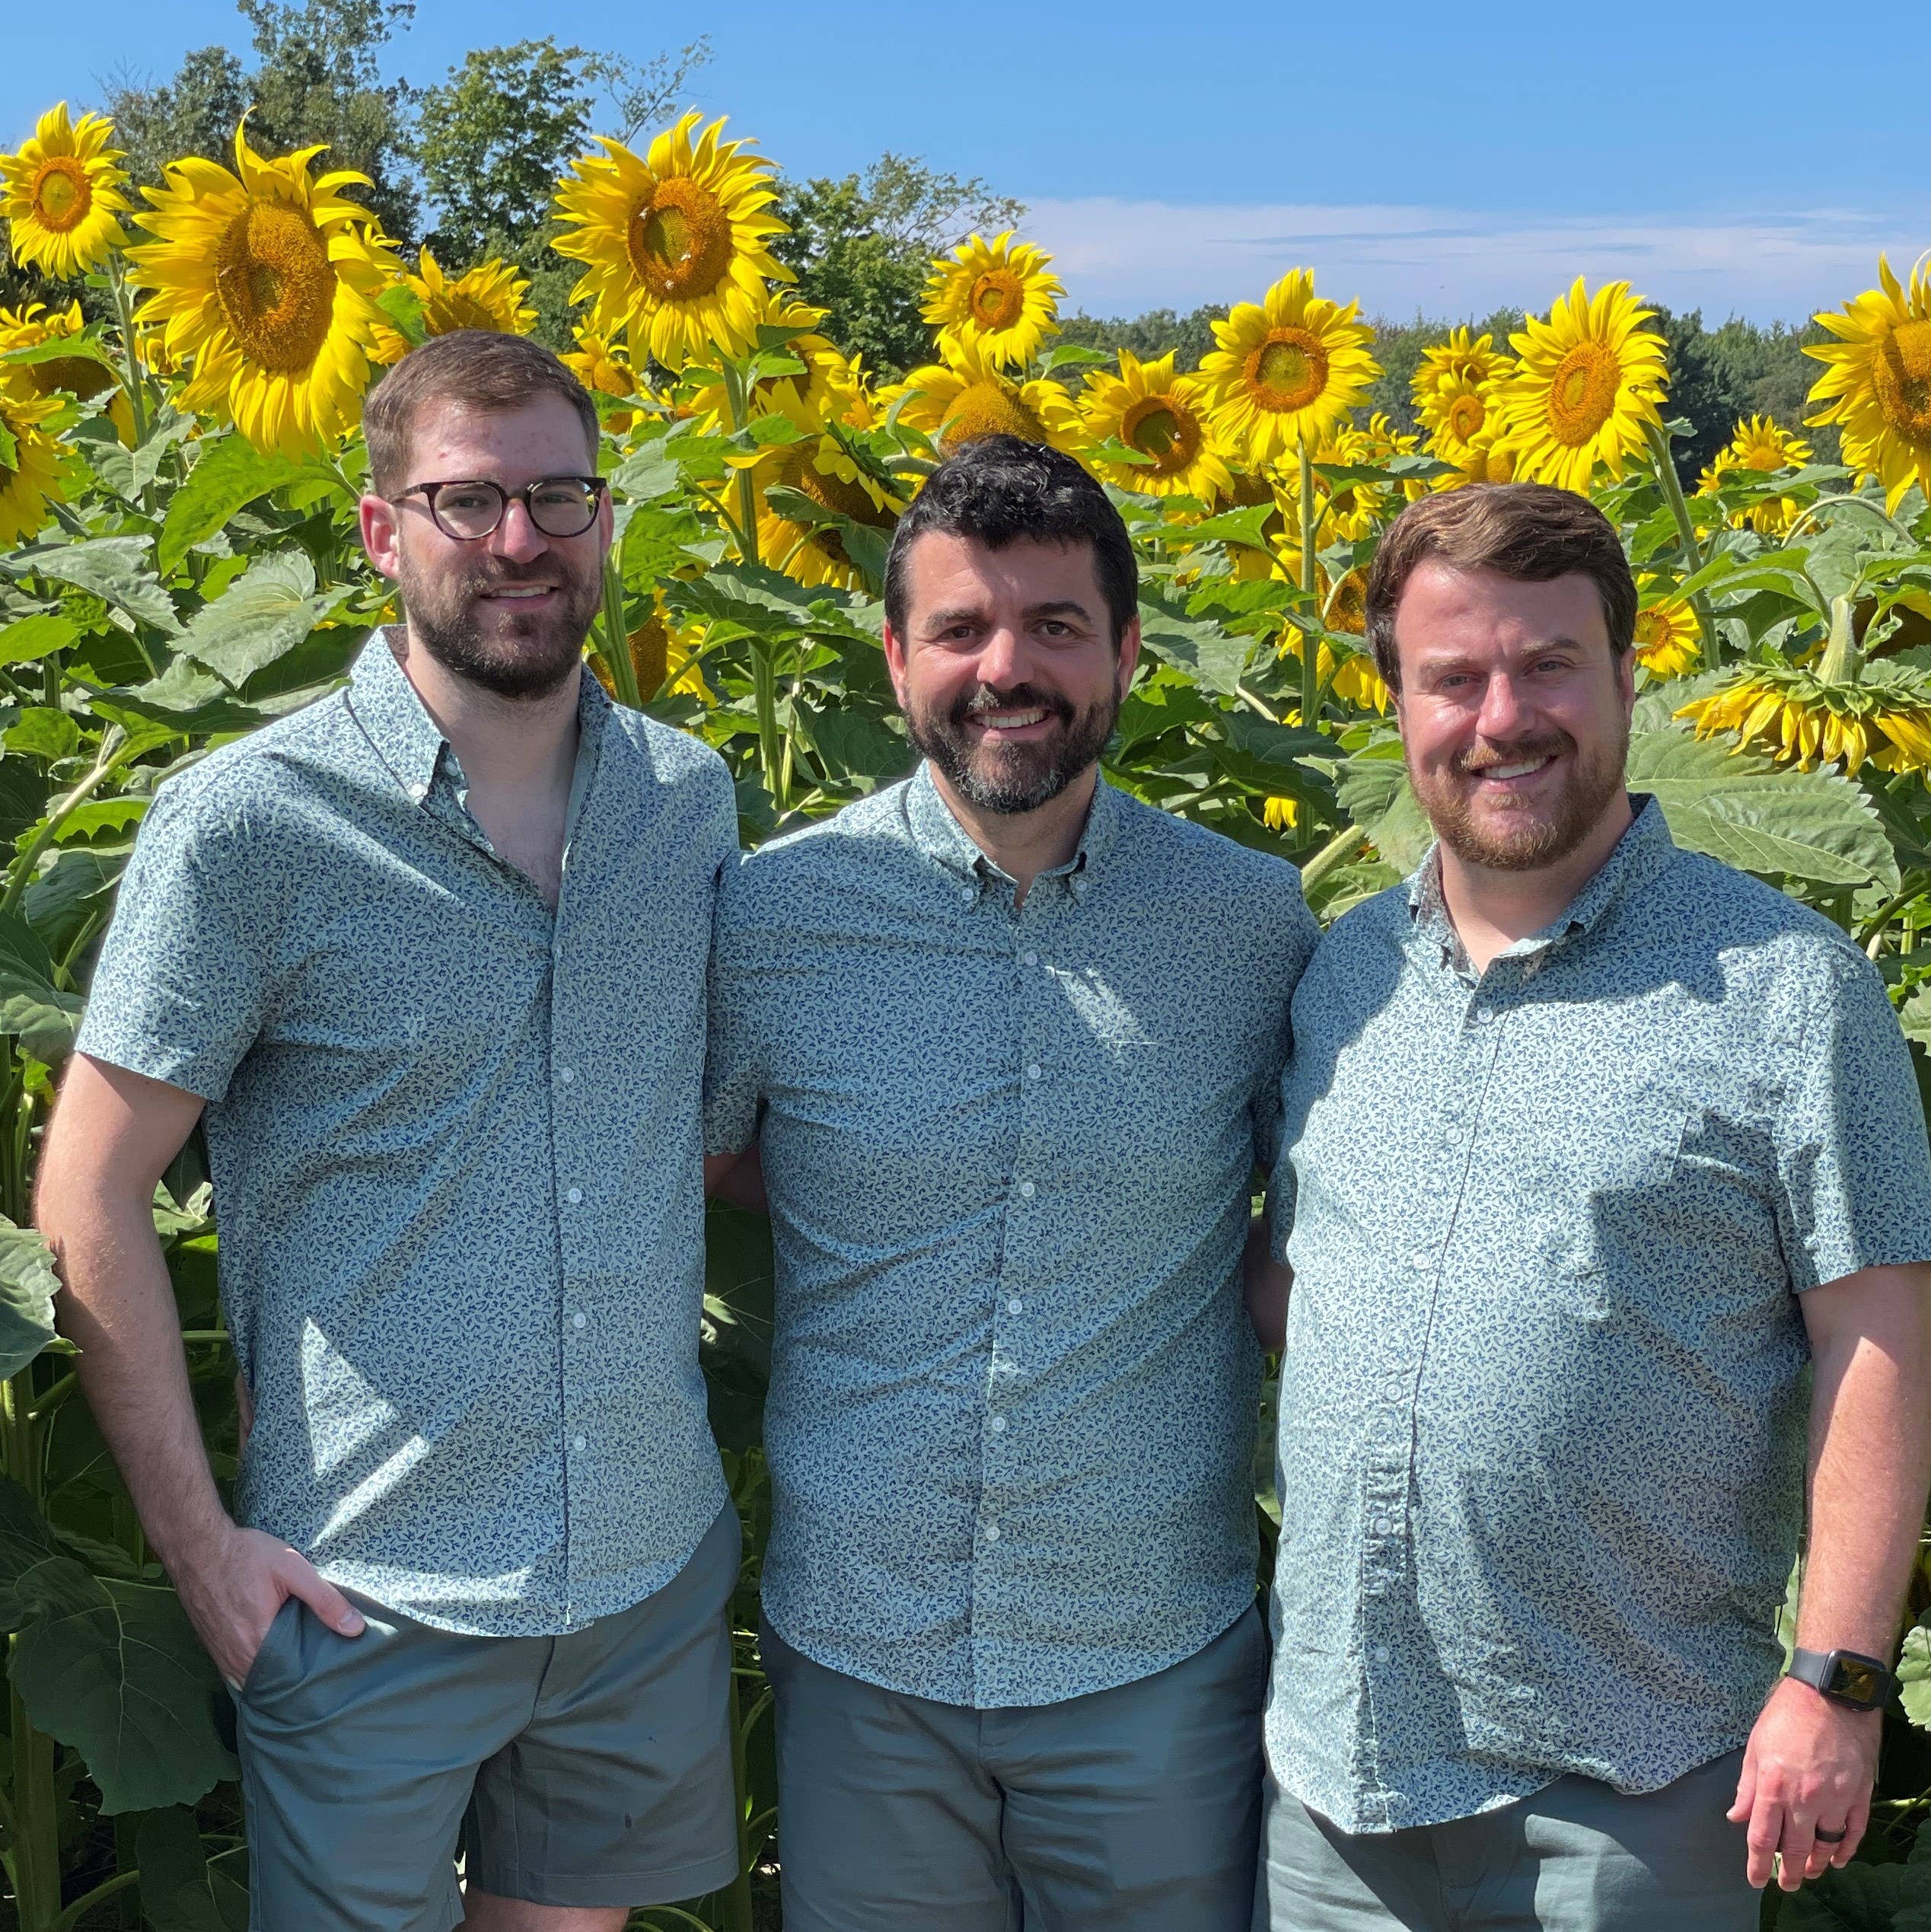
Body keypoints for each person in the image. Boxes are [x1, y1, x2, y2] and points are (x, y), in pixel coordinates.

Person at [36, 330, 744, 1932]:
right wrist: (201, 1552)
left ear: (605, 524)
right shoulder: (249, 823)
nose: (518, 545)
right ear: (378, 531)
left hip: (638, 1566)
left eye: (558, 500)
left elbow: (685, 1130)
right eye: (466, 500)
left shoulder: (688, 802)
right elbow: (90, 1186)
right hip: (368, 1594)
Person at [1251, 481, 1931, 1931]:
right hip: (1334, 1786)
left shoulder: (1788, 988)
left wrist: (1836, 1680)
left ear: (1628, 674)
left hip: (1631, 1789)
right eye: (1453, 677)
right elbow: (1294, 1278)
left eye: (1548, 663)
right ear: (1396, 704)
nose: (1503, 717)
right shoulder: (1338, 973)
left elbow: (1880, 1345)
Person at [703, 433, 1317, 1928]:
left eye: (1054, 627)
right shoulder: (774, 916)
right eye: (965, 628)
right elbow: (712, 1159)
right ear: (898, 654)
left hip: (1153, 1654)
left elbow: (1298, 1231)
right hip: (863, 1659)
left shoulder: (1255, 924)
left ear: (1125, 654)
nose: (1007, 667)